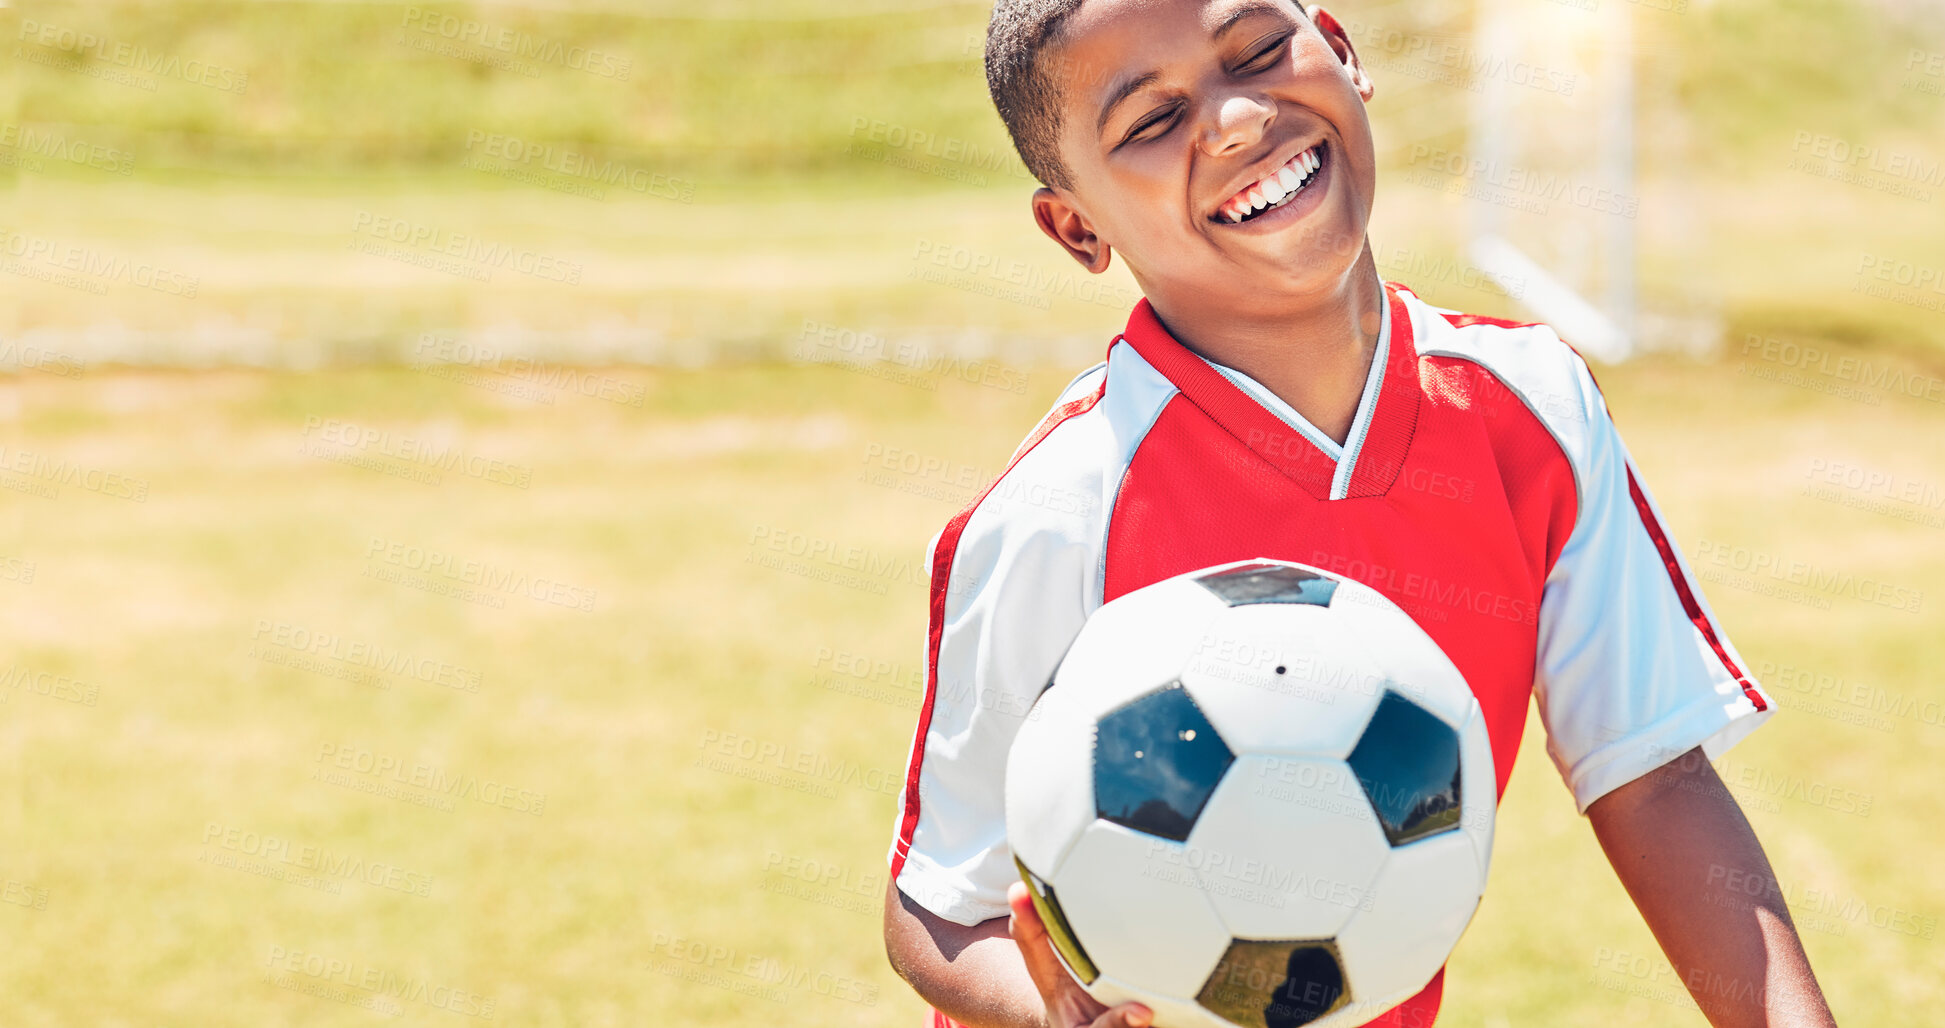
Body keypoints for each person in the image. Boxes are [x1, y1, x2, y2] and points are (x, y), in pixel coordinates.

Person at [881, 2, 1838, 1025]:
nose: (1237, 119)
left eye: (1256, 51)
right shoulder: (1062, 503)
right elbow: (936, 910)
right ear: (1077, 225)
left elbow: (1650, 776)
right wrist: (1059, 1014)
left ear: (1340, 49)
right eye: (1151, 121)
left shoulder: (1532, 406)